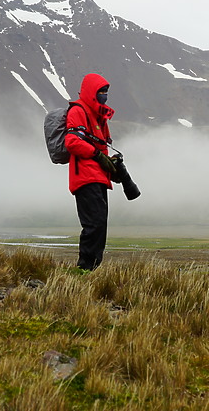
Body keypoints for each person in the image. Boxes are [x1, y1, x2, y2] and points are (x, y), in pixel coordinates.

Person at [65, 73, 117, 271]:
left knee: (100, 225)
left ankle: (92, 268)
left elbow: (100, 146)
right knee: (94, 224)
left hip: (98, 177)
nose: (104, 95)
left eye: (106, 92)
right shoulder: (78, 111)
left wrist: (111, 166)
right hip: (85, 177)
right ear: (91, 92)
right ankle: (84, 268)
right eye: (101, 92)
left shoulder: (98, 116)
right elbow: (72, 142)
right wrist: (96, 154)